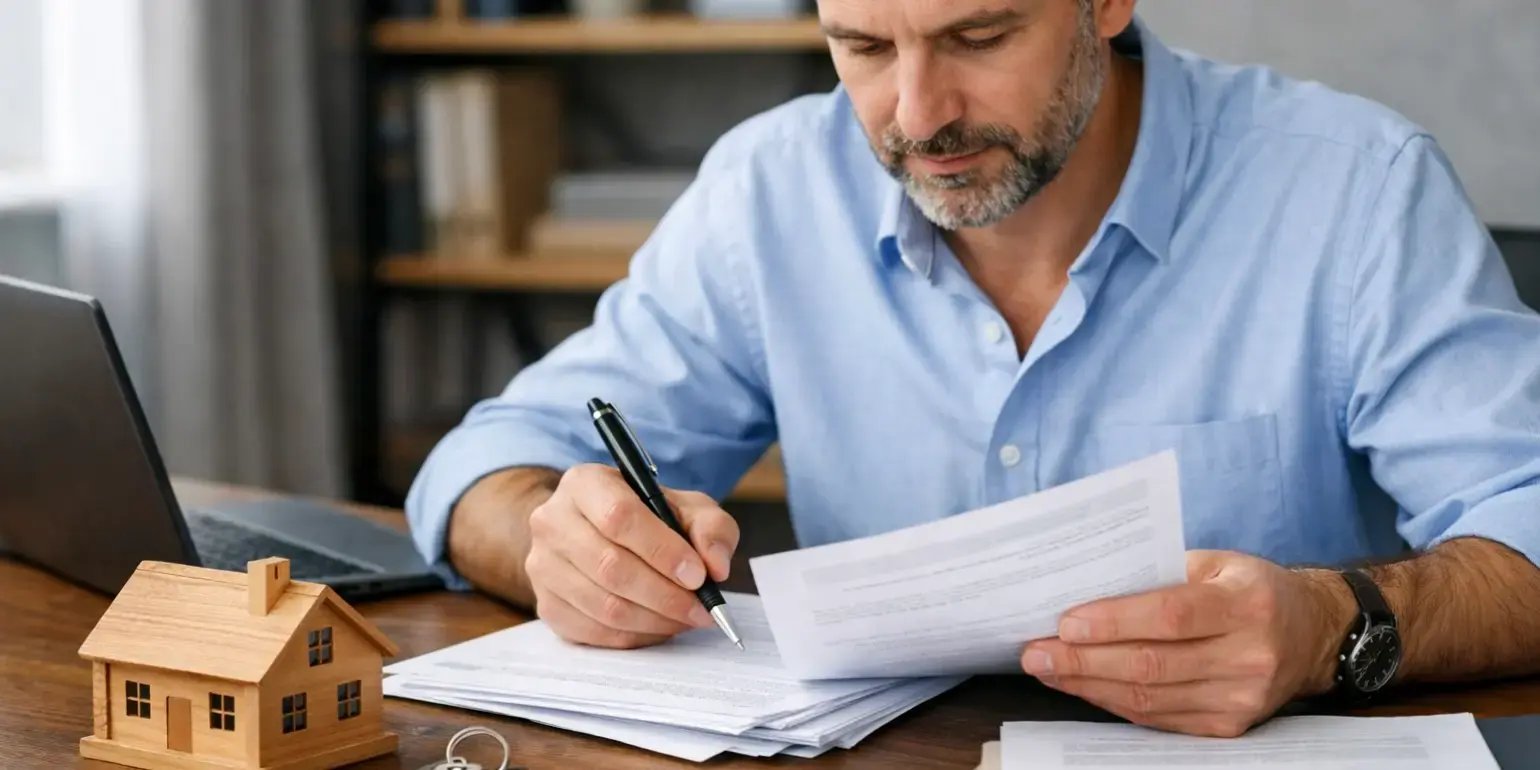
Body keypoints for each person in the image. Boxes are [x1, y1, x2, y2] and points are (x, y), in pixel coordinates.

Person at [406, 0, 1540, 738]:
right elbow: (486, 466)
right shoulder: (773, 191)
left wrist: (1332, 623)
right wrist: (564, 544)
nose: (917, 117)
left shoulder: (1353, 188)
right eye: (862, 47)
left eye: (980, 36)